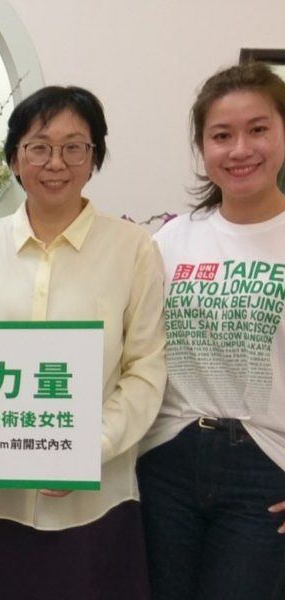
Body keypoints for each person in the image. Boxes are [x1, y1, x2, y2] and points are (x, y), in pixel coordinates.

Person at [0, 86, 167, 600]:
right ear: (14, 159)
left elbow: (145, 369)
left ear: (95, 157)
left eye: (74, 147)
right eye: (39, 147)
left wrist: (87, 450)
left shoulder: (132, 248)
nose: (56, 163)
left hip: (95, 500)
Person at [138, 62, 285, 600]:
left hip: (267, 463)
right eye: (222, 135)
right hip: (167, 457)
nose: (240, 149)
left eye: (258, 129)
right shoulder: (172, 240)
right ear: (203, 148)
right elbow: (131, 345)